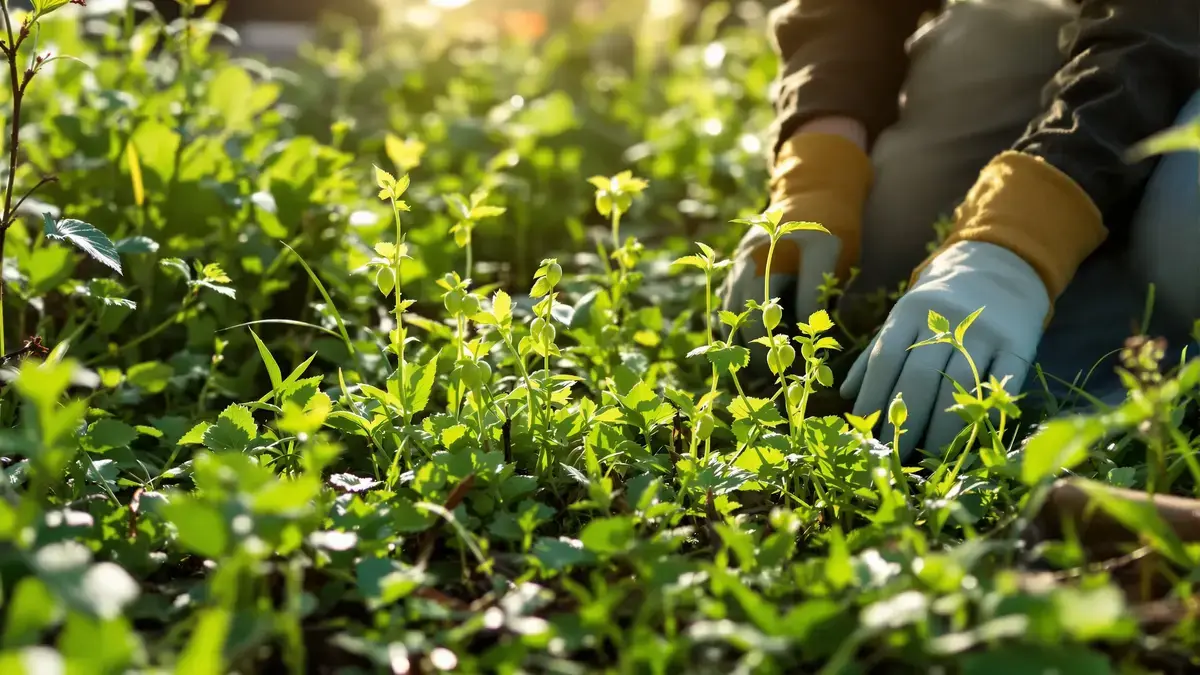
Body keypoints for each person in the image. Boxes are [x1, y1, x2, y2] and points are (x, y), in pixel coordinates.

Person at [720, 0, 1200, 460]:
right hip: (1099, 29)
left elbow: (1160, 22)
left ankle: (1142, 368)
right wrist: (818, 173)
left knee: (1184, 225)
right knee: (885, 242)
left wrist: (1017, 243)